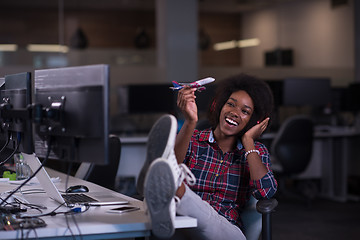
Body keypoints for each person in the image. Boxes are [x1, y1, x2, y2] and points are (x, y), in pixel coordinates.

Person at [140, 73, 277, 240]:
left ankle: (174, 191)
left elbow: (266, 192)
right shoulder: (194, 139)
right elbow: (173, 163)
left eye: (245, 111)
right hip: (185, 223)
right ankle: (168, 192)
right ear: (219, 106)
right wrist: (190, 121)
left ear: (253, 120)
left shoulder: (256, 151)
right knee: (169, 170)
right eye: (230, 105)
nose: (234, 113)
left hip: (227, 229)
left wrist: (248, 141)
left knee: (179, 190)